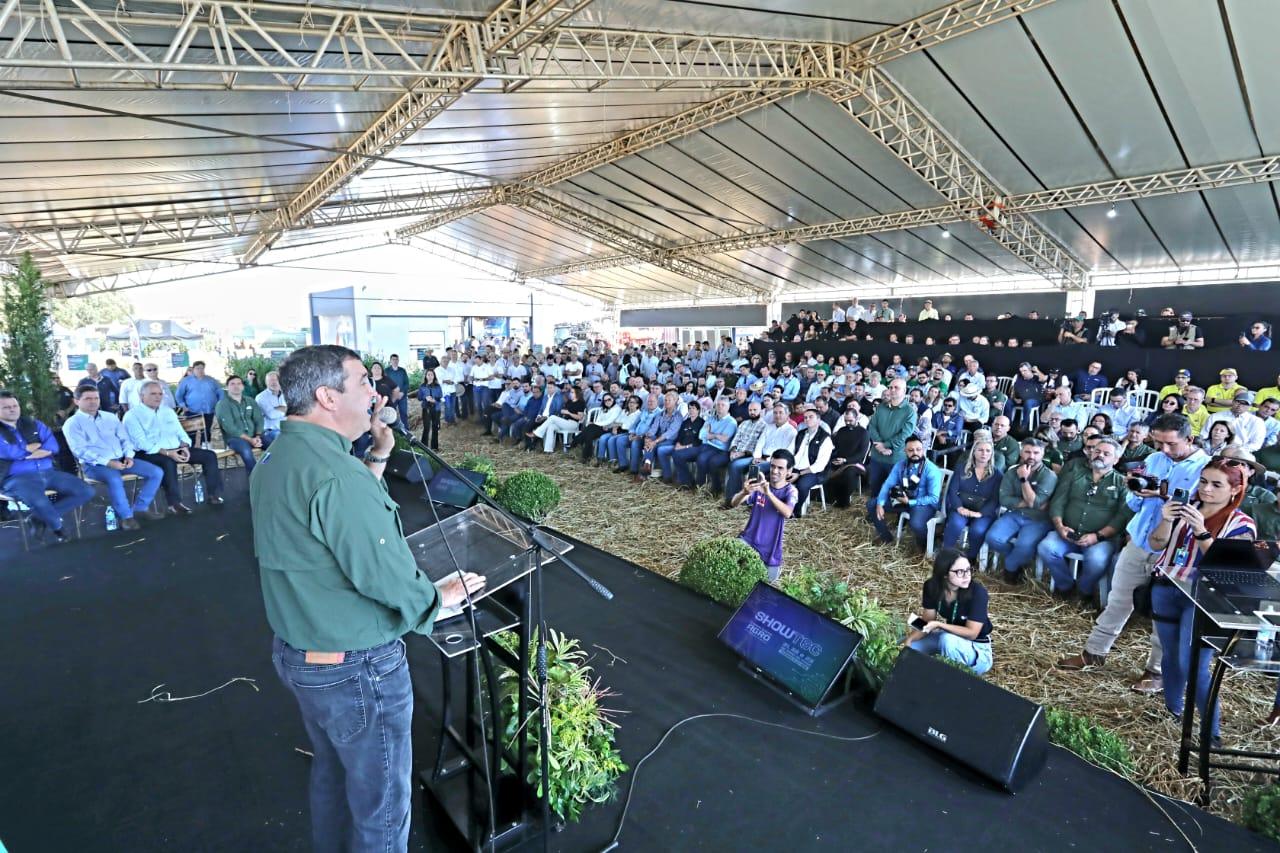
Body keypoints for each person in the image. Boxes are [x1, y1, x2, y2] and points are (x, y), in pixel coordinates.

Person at [250, 345, 486, 852]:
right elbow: (382, 572)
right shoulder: (337, 476)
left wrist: (377, 455)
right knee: (381, 802)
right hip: (355, 667)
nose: (374, 392)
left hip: (304, 654)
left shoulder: (280, 455)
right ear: (327, 397)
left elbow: (333, 519)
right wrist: (435, 599)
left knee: (336, 777)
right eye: (362, 383)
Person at [1056, 413, 1209, 693]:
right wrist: (1136, 492)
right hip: (1140, 541)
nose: (1163, 449)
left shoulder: (1206, 469)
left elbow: (1199, 511)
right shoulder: (1153, 460)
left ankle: (1156, 671)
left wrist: (1162, 497)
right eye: (1158, 442)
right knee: (1118, 600)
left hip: (1176, 551)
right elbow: (1133, 502)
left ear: (1189, 439)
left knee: (1163, 614)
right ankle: (1094, 652)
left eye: (1170, 444)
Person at [1147, 460, 1256, 742]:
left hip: (1204, 599)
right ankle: (1173, 710)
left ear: (1236, 489)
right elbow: (1157, 543)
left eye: (1216, 484)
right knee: (1169, 655)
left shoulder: (1242, 523)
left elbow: (1229, 568)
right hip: (1167, 586)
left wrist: (1201, 532)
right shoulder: (1186, 507)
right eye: (1204, 481)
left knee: (1193, 663)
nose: (1206, 489)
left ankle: (1211, 734)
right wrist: (1167, 519)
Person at [1037, 436, 1132, 602]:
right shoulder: (1075, 475)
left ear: (1116, 460)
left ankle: (1084, 590)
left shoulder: (1122, 483)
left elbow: (1122, 516)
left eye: (1106, 453)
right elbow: (1058, 502)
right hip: (1068, 533)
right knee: (1046, 547)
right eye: (1097, 451)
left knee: (1097, 560)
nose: (1100, 455)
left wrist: (1098, 536)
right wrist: (1060, 527)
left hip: (1102, 539)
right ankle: (1065, 586)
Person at [63, 385, 165, 531]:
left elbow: (125, 439)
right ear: (77, 401)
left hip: (121, 459)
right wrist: (108, 462)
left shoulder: (110, 417)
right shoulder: (72, 423)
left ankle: (141, 507)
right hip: (94, 465)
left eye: (96, 398)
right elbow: (80, 451)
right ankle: (126, 517)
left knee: (156, 472)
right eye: (88, 399)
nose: (93, 402)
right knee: (114, 479)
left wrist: (129, 456)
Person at [0, 390, 94, 543]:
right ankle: (58, 528)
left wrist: (23, 453)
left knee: (86, 491)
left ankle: (38, 518)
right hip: (16, 478)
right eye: (6, 407)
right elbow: (7, 452)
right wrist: (29, 450)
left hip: (48, 472)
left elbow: (52, 446)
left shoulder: (33, 423)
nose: (12, 409)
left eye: (14, 405)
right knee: (40, 501)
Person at [125, 380, 225, 513]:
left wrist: (185, 446)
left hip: (176, 449)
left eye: (160, 394)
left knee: (209, 455)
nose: (157, 397)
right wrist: (168, 453)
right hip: (149, 453)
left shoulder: (168, 411)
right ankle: (174, 503)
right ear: (141, 396)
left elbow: (181, 433)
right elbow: (140, 442)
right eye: (153, 394)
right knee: (168, 462)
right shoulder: (132, 415)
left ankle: (213, 494)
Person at [903, 548, 993, 675]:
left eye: (968, 570)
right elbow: (927, 621)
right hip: (950, 638)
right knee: (907, 647)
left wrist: (940, 625)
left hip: (977, 649)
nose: (967, 576)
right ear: (944, 574)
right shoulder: (931, 586)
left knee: (947, 640)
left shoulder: (978, 593)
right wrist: (909, 640)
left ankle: (949, 678)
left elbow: (972, 633)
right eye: (960, 572)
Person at [983, 438, 1058, 584]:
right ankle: (1019, 557)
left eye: (1036, 453)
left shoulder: (1049, 475)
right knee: (992, 538)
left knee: (1023, 546)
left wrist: (1024, 479)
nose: (1032, 456)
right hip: (1015, 515)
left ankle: (1011, 569)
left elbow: (1035, 503)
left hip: (1038, 519)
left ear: (1042, 454)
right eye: (1028, 452)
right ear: (1021, 452)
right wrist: (1029, 502)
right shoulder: (1012, 472)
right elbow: (1004, 499)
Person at [732, 449, 798, 581]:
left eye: (780, 468)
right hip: (748, 541)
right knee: (734, 573)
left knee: (769, 585)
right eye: (773, 466)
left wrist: (769, 494)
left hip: (771, 551)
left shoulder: (790, 491)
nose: (774, 471)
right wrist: (744, 492)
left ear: (789, 471)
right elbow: (734, 503)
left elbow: (787, 512)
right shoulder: (760, 485)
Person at [868, 435, 942, 547]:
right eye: (911, 450)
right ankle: (886, 538)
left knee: (916, 524)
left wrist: (910, 502)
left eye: (918, 449)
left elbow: (934, 498)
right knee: (872, 504)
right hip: (904, 499)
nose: (915, 453)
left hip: (924, 503)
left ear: (923, 450)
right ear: (905, 451)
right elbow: (888, 484)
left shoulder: (931, 469)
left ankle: (927, 545)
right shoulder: (900, 465)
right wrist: (880, 503)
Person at [942, 436, 1002, 560]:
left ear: (991, 454)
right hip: (960, 508)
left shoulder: (997, 475)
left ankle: (971, 558)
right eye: (980, 450)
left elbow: (995, 500)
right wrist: (959, 508)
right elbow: (952, 492)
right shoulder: (961, 468)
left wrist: (980, 514)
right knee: (955, 524)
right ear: (974, 452)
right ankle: (946, 556)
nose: (984, 454)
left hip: (983, 512)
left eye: (987, 451)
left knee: (978, 530)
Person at [865, 378, 915, 499]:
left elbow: (905, 435)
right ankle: (874, 514)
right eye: (890, 387)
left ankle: (897, 517)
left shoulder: (910, 411)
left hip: (895, 458)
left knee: (896, 491)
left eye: (896, 387)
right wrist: (879, 446)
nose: (892, 390)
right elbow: (872, 426)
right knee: (875, 489)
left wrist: (885, 445)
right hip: (877, 456)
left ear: (904, 390)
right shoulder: (881, 406)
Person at [215, 375, 270, 475]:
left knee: (273, 447)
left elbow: (259, 419)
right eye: (232, 384)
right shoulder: (222, 405)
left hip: (254, 435)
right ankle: (254, 479)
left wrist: (257, 436)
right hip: (235, 439)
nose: (236, 386)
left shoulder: (250, 401)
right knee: (246, 452)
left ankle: (265, 468)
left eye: (239, 383)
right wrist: (250, 440)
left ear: (243, 387)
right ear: (227, 387)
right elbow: (230, 428)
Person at [790, 407, 833, 517]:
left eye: (811, 417)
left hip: (815, 472)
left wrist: (799, 473)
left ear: (819, 420)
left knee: (802, 485)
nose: (807, 419)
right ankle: (779, 506)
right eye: (805, 418)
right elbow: (790, 452)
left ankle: (795, 511)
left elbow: (820, 465)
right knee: (776, 478)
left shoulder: (825, 438)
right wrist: (789, 469)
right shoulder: (800, 434)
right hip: (796, 468)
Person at [825, 406, 869, 508]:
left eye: (850, 420)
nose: (848, 423)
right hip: (840, 460)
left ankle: (844, 501)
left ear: (857, 418)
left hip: (855, 463)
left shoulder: (863, 433)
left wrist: (845, 460)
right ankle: (830, 498)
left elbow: (861, 453)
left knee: (849, 474)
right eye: (846, 421)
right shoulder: (841, 430)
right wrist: (834, 459)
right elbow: (834, 446)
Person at [175, 361, 223, 442]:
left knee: (207, 431)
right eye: (198, 368)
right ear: (193, 369)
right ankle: (195, 449)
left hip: (209, 411)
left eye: (202, 368)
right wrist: (183, 406)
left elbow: (220, 392)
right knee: (194, 433)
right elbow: (178, 395)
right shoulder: (186, 381)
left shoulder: (211, 380)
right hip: (192, 411)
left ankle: (206, 448)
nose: (200, 370)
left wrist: (219, 404)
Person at [256, 371, 287, 444]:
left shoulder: (286, 394)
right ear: (266, 383)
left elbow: (295, 411)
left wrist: (278, 408)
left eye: (276, 380)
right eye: (270, 380)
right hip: (270, 432)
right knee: (283, 439)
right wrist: (286, 409)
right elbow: (271, 415)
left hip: (287, 430)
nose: (274, 382)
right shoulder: (261, 397)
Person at [416, 368, 443, 450]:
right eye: (428, 375)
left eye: (432, 374)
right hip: (426, 408)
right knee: (426, 427)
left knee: (435, 427)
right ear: (426, 376)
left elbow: (440, 396)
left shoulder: (437, 386)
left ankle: (435, 447)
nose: (430, 376)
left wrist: (435, 400)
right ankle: (424, 447)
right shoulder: (422, 386)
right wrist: (425, 397)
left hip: (436, 408)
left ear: (434, 376)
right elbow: (419, 397)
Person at [385, 355, 410, 427]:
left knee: (404, 414)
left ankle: (406, 431)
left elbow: (406, 383)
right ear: (390, 361)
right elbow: (385, 384)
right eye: (393, 359)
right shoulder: (387, 371)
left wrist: (402, 392)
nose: (395, 361)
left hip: (402, 396)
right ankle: (393, 432)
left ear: (398, 360)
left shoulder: (402, 371)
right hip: (392, 396)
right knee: (391, 414)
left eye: (396, 359)